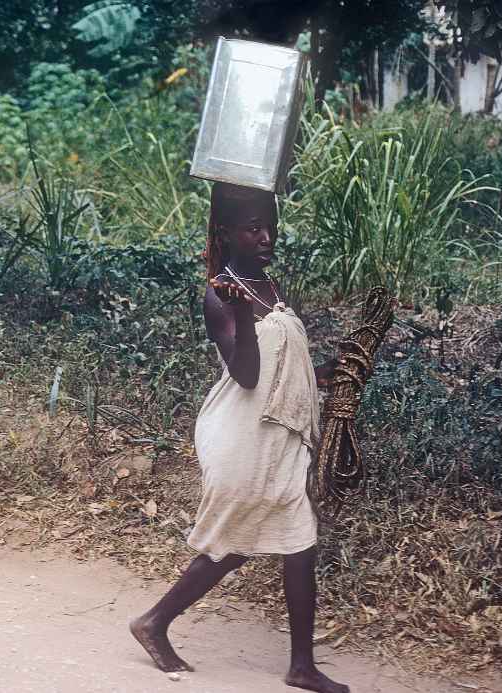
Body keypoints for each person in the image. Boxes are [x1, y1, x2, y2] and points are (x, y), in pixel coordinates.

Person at [129, 182, 347, 693]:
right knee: (232, 543)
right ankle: (154, 622)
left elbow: (280, 367)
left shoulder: (267, 284)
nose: (266, 237)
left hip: (276, 436)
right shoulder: (218, 293)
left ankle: (300, 666)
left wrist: (326, 372)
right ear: (227, 233)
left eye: (269, 228)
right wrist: (244, 316)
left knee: (299, 543)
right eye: (254, 229)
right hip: (242, 436)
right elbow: (247, 374)